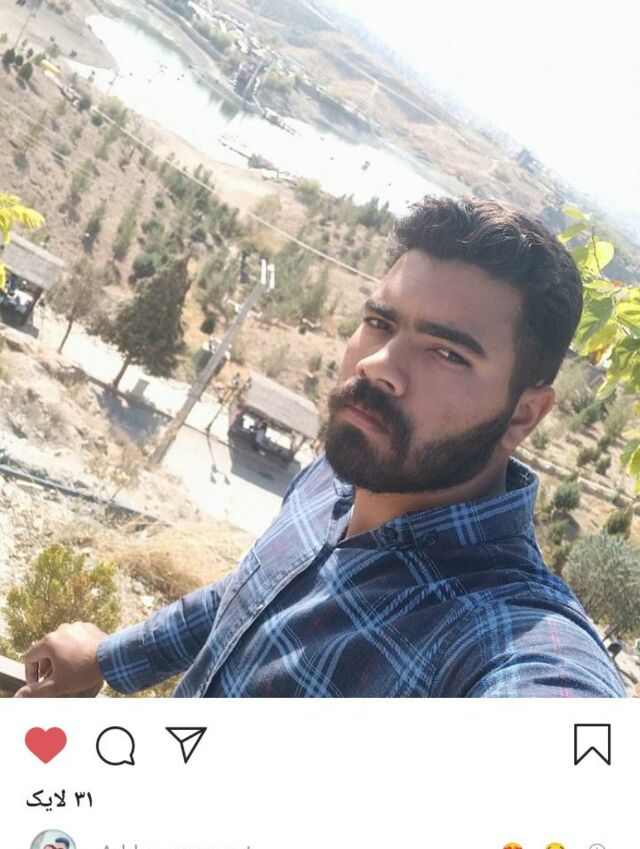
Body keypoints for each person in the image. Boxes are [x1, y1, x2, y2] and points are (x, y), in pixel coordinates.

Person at [15, 196, 625, 698]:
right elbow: (250, 596)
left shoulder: (501, 635)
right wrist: (108, 657)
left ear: (524, 413)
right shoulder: (337, 478)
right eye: (380, 323)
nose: (378, 364)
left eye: (447, 353)